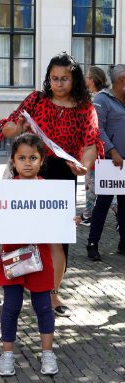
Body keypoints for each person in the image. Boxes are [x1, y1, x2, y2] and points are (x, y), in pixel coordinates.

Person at [1, 53, 101, 317]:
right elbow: (10, 126)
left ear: (75, 79)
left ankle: (53, 294)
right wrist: (14, 126)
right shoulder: (36, 99)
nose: (58, 83)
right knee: (23, 230)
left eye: (64, 79)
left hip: (62, 174)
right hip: (30, 170)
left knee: (57, 237)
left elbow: (90, 143)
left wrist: (84, 165)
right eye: (54, 78)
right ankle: (21, 280)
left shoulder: (85, 107)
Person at [0, 134, 58, 376]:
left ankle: (48, 354)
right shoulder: (3, 191)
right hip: (13, 258)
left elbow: (57, 220)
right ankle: (7, 355)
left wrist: (68, 219)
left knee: (44, 307)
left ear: (41, 160)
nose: (27, 163)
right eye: (21, 158)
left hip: (41, 258)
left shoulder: (48, 189)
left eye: (33, 157)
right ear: (13, 160)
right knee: (10, 307)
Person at [87, 64, 125, 261]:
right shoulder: (102, 99)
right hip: (111, 162)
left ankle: (123, 243)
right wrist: (112, 151)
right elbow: (97, 129)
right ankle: (92, 244)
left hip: (124, 163)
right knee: (103, 204)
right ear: (121, 81)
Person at [81, 67, 117, 227]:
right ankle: (88, 213)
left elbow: (93, 127)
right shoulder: (105, 98)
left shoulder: (95, 100)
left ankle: (90, 214)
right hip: (100, 149)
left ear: (93, 79)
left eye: (87, 77)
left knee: (95, 185)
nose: (85, 79)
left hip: (94, 149)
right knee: (100, 185)